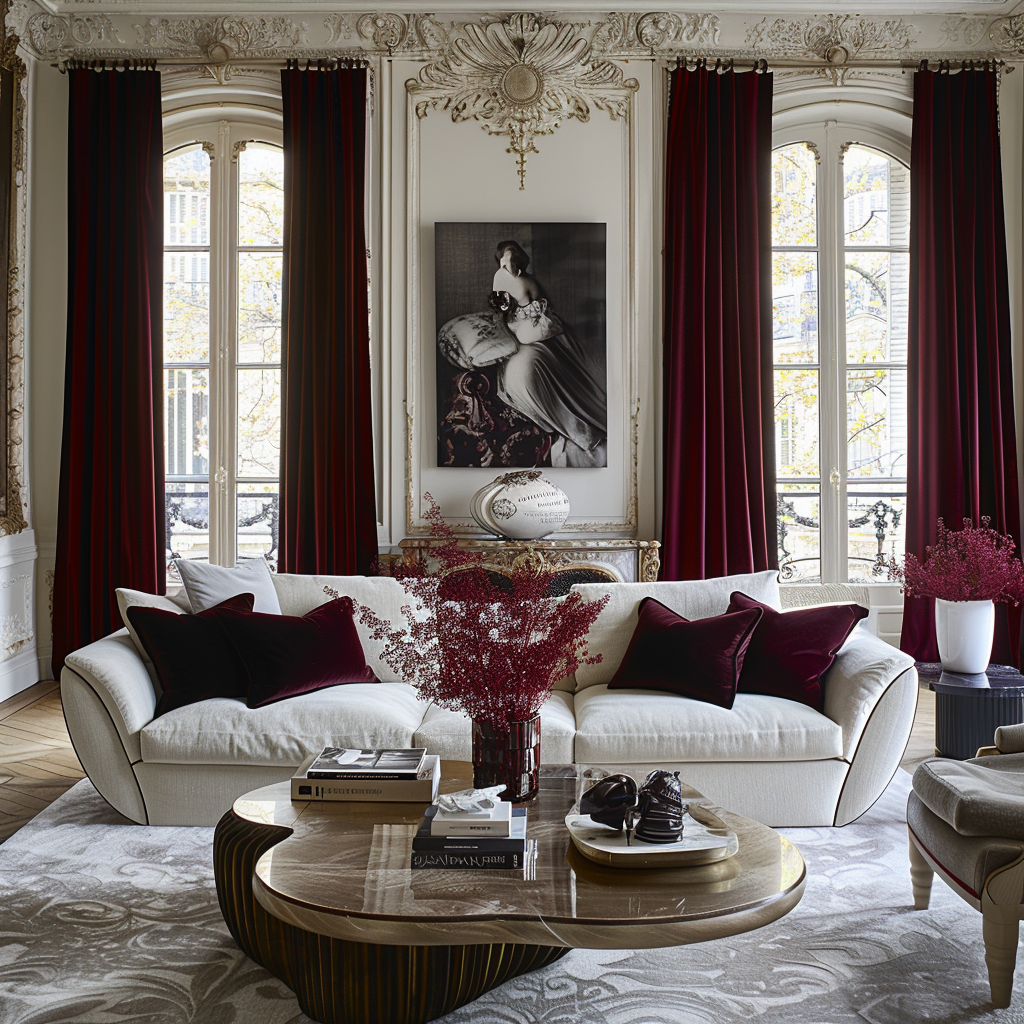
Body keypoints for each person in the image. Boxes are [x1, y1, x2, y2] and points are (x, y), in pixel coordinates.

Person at [488, 240, 607, 468]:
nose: (508, 262)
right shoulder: (520, 279)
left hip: (532, 329)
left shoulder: (515, 279)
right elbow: (504, 306)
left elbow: (511, 305)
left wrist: (505, 272)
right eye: (506, 258)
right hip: (534, 327)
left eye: (511, 258)